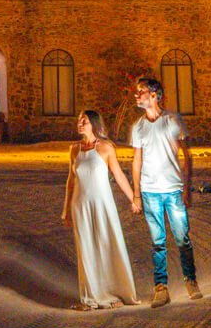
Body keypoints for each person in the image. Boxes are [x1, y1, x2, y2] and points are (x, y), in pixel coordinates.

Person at [130, 74, 202, 306]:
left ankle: (190, 280)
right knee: (158, 242)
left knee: (182, 238)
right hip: (150, 191)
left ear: (154, 95)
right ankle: (161, 287)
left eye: (140, 91)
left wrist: (186, 188)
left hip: (173, 190)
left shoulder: (172, 120)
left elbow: (186, 155)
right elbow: (136, 161)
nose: (136, 95)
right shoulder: (138, 127)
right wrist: (136, 194)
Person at [61, 107, 138, 309]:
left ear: (93, 124)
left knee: (107, 244)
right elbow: (70, 181)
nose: (80, 123)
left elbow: (119, 175)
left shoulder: (106, 148)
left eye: (84, 121)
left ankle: (114, 292)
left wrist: (134, 198)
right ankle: (90, 297)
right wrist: (66, 210)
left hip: (103, 204)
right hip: (80, 205)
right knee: (86, 250)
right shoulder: (74, 150)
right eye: (79, 120)